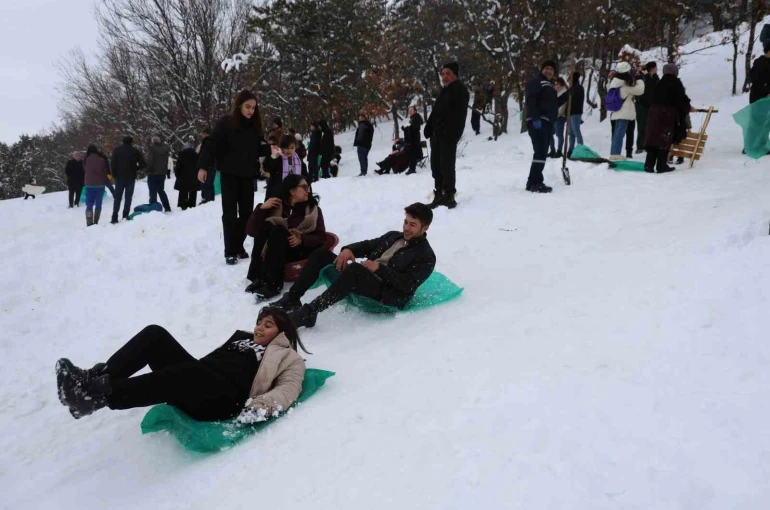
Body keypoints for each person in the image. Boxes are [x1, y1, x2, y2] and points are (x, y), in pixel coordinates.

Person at [55, 307, 308, 421]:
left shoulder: (289, 358)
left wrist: (262, 407)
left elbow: (289, 388)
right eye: (259, 322)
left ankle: (102, 396)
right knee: (155, 334)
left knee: (192, 371)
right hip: (200, 380)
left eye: (268, 325)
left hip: (222, 401)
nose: (259, 327)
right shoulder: (242, 339)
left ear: (281, 332)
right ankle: (90, 383)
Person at [273, 203, 436, 329]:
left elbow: (407, 286)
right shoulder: (394, 236)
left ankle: (309, 312)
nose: (406, 228)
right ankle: (293, 298)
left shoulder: (426, 256)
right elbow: (368, 245)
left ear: (425, 227)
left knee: (355, 270)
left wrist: (380, 269)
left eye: (413, 224)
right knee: (321, 254)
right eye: (406, 222)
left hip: (386, 295)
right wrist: (348, 250)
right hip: (363, 277)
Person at [197, 90, 271, 265]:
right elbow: (211, 145)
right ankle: (230, 251)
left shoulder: (254, 126)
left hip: (247, 176)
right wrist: (202, 166)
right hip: (229, 175)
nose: (250, 111)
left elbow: (256, 149)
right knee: (230, 214)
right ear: (239, 105)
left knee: (247, 214)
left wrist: (270, 149)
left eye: (253, 107)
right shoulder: (225, 123)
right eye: (247, 106)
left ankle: (237, 245)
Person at [244, 174, 326, 299]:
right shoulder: (277, 206)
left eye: (308, 187)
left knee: (278, 229)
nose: (308, 190)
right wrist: (261, 208)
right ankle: (257, 277)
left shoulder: (313, 210)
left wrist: (302, 240)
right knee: (267, 225)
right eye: (304, 187)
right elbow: (251, 232)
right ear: (292, 190)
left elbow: (321, 237)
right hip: (276, 252)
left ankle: (273, 285)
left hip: (300, 251)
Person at [424, 62, 469, 209]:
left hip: (448, 135)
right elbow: (436, 112)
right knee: (436, 165)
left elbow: (459, 116)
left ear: (455, 74)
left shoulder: (460, 90)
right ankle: (439, 194)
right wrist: (429, 126)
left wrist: (452, 134)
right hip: (436, 135)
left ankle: (449, 195)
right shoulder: (444, 91)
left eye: (448, 73)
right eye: (443, 74)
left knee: (447, 165)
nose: (445, 76)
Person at [524, 60, 568, 193]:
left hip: (548, 122)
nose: (549, 71)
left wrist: (567, 95)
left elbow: (553, 104)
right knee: (540, 152)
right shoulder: (536, 82)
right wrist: (535, 118)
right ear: (542, 69)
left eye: (551, 69)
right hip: (538, 121)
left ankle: (533, 181)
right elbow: (530, 99)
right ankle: (535, 182)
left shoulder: (549, 86)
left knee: (542, 152)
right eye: (547, 68)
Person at [643, 63, 692, 173]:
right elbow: (681, 99)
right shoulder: (675, 82)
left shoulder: (659, 82)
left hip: (654, 113)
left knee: (653, 138)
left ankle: (649, 165)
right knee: (664, 139)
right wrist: (688, 107)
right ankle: (661, 165)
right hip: (667, 114)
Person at [608, 61, 644, 160]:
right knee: (620, 133)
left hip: (616, 111)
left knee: (616, 133)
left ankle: (614, 153)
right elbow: (640, 90)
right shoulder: (624, 86)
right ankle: (616, 154)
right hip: (624, 112)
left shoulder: (614, 82)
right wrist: (639, 79)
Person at [110, 136, 147, 224]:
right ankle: (125, 216)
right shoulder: (135, 151)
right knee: (128, 198)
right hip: (131, 177)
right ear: (131, 142)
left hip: (119, 177)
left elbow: (112, 163)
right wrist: (135, 168)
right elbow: (143, 164)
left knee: (117, 198)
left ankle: (114, 217)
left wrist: (114, 174)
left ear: (123, 141)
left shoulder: (116, 150)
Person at [263, 134, 307, 200]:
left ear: (295, 147)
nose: (289, 150)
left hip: (294, 195)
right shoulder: (277, 157)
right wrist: (273, 157)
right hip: (277, 194)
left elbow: (305, 178)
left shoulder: (299, 161)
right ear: (282, 147)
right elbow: (266, 168)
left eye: (292, 148)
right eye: (286, 148)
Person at [83, 144, 110, 226]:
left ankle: (89, 222)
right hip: (100, 185)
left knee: (89, 204)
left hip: (89, 184)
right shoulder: (101, 160)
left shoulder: (85, 159)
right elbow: (105, 172)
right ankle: (96, 222)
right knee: (98, 203)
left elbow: (85, 169)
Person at [636, 62, 659, 154]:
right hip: (642, 105)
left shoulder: (656, 78)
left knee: (652, 125)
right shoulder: (642, 78)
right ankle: (640, 145)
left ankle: (649, 144)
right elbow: (645, 89)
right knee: (642, 125)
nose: (656, 69)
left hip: (653, 105)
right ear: (652, 68)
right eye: (655, 67)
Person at [146, 136, 172, 212]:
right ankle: (167, 207)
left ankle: (154, 210)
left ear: (153, 142)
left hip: (152, 174)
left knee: (152, 192)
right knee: (161, 191)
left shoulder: (152, 149)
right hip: (162, 174)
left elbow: (150, 161)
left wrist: (146, 170)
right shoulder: (165, 150)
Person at [174, 142, 201, 210]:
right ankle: (192, 204)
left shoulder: (181, 154)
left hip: (183, 177)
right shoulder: (196, 154)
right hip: (194, 176)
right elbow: (199, 165)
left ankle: (183, 204)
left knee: (183, 191)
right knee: (193, 190)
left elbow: (178, 167)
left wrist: (177, 175)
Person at [549, 78, 568, 158]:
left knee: (559, 134)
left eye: (557, 84)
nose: (556, 86)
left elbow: (562, 106)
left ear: (562, 84)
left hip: (560, 116)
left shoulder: (564, 92)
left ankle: (559, 151)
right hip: (553, 116)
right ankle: (552, 150)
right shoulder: (555, 92)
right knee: (549, 133)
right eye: (555, 84)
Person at [197, 127, 216, 204]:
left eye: (202, 133)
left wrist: (202, 167)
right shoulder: (214, 141)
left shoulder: (207, 141)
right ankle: (211, 200)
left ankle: (207, 200)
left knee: (205, 183)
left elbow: (205, 155)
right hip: (213, 166)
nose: (201, 135)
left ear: (205, 133)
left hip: (207, 166)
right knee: (210, 184)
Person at [568, 72, 585, 156]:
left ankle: (580, 148)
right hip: (571, 113)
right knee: (571, 132)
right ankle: (570, 149)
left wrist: (570, 93)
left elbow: (575, 100)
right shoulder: (573, 88)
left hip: (576, 112)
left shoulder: (578, 88)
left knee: (576, 131)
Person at [403, 106, 423, 175]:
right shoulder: (413, 117)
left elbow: (415, 128)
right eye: (409, 110)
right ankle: (411, 168)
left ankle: (412, 169)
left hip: (414, 138)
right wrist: (406, 129)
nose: (409, 112)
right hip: (413, 138)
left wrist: (407, 128)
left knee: (413, 153)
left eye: (411, 110)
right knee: (412, 153)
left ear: (415, 111)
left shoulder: (416, 117)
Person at [353, 112, 374, 176]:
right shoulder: (369, 124)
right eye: (359, 118)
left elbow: (360, 135)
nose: (360, 119)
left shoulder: (362, 124)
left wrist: (358, 141)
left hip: (362, 144)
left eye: (361, 117)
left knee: (361, 158)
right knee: (364, 158)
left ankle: (363, 172)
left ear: (364, 118)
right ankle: (364, 171)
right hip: (368, 144)